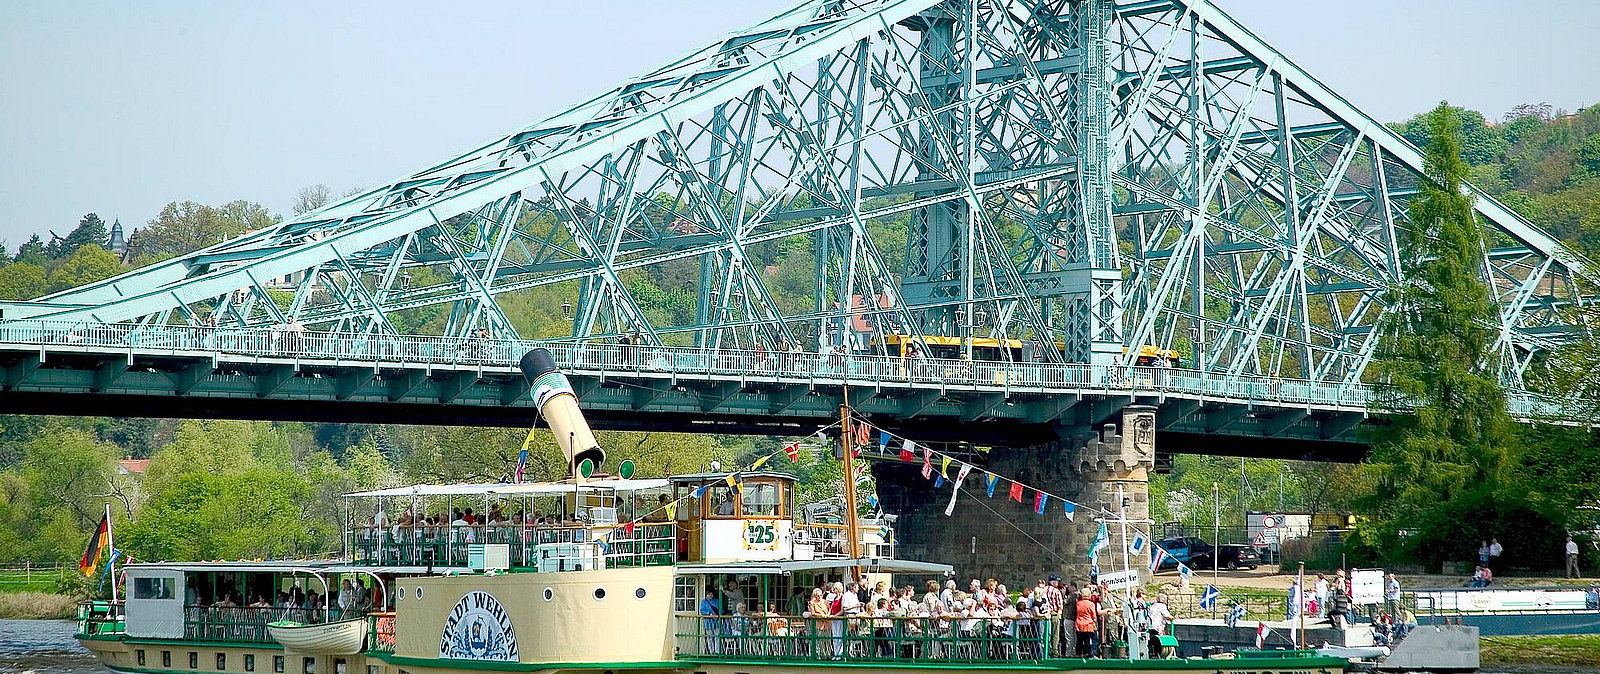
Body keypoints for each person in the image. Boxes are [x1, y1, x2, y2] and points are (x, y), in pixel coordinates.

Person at [1074, 586, 1100, 657]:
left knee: (1079, 640)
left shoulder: (1078, 603)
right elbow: (1094, 616)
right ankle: (1087, 654)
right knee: (1087, 641)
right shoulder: (1091, 604)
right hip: (1088, 625)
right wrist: (1095, 623)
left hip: (1079, 624)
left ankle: (1078, 654)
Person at [1147, 592, 1171, 658]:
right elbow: (1167, 616)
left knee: (1151, 641)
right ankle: (1159, 654)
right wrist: (1172, 617)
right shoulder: (1162, 606)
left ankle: (1152, 653)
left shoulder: (1153, 605)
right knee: (1158, 642)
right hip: (1157, 627)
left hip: (1150, 626)